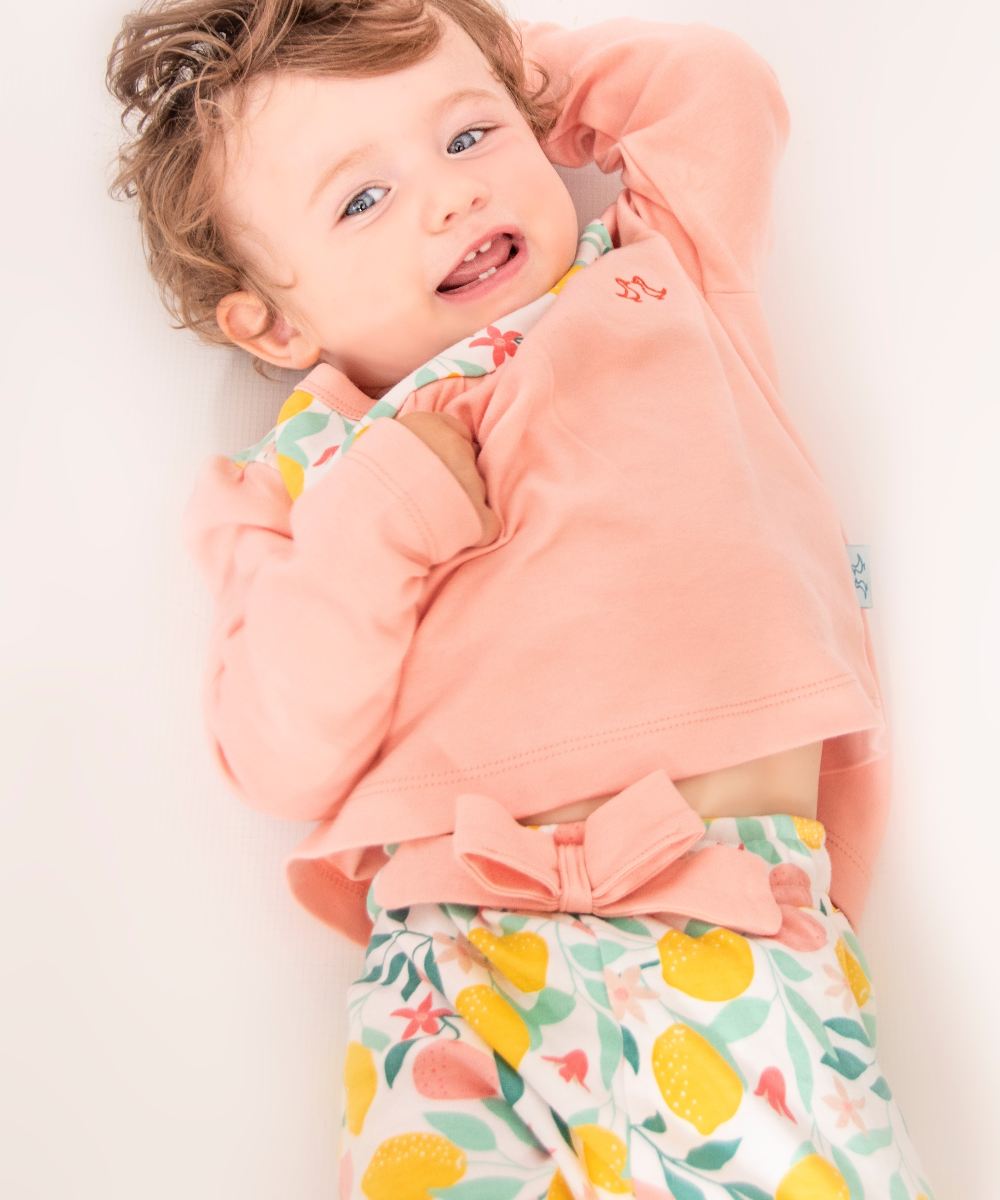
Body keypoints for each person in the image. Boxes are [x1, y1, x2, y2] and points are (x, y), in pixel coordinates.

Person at [105, 1, 938, 1196]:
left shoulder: (660, 279)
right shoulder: (297, 481)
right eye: (362, 199)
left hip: (715, 915)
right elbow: (276, 754)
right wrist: (379, 515)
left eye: (466, 142)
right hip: (446, 960)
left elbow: (714, 83)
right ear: (273, 323)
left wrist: (486, 68)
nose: (448, 198)